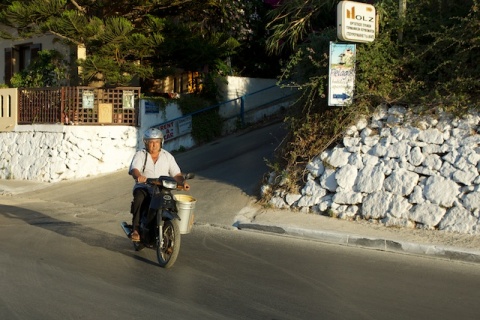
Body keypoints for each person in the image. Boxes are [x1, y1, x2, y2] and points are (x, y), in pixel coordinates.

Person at [128, 128, 190, 242]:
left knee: (171, 203)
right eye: (151, 142)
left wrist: (183, 182)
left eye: (156, 142)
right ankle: (136, 228)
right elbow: (134, 169)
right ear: (146, 143)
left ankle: (169, 233)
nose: (154, 145)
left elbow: (176, 174)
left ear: (161, 142)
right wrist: (139, 177)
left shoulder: (167, 156)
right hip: (144, 186)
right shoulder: (141, 154)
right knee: (139, 198)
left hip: (162, 187)